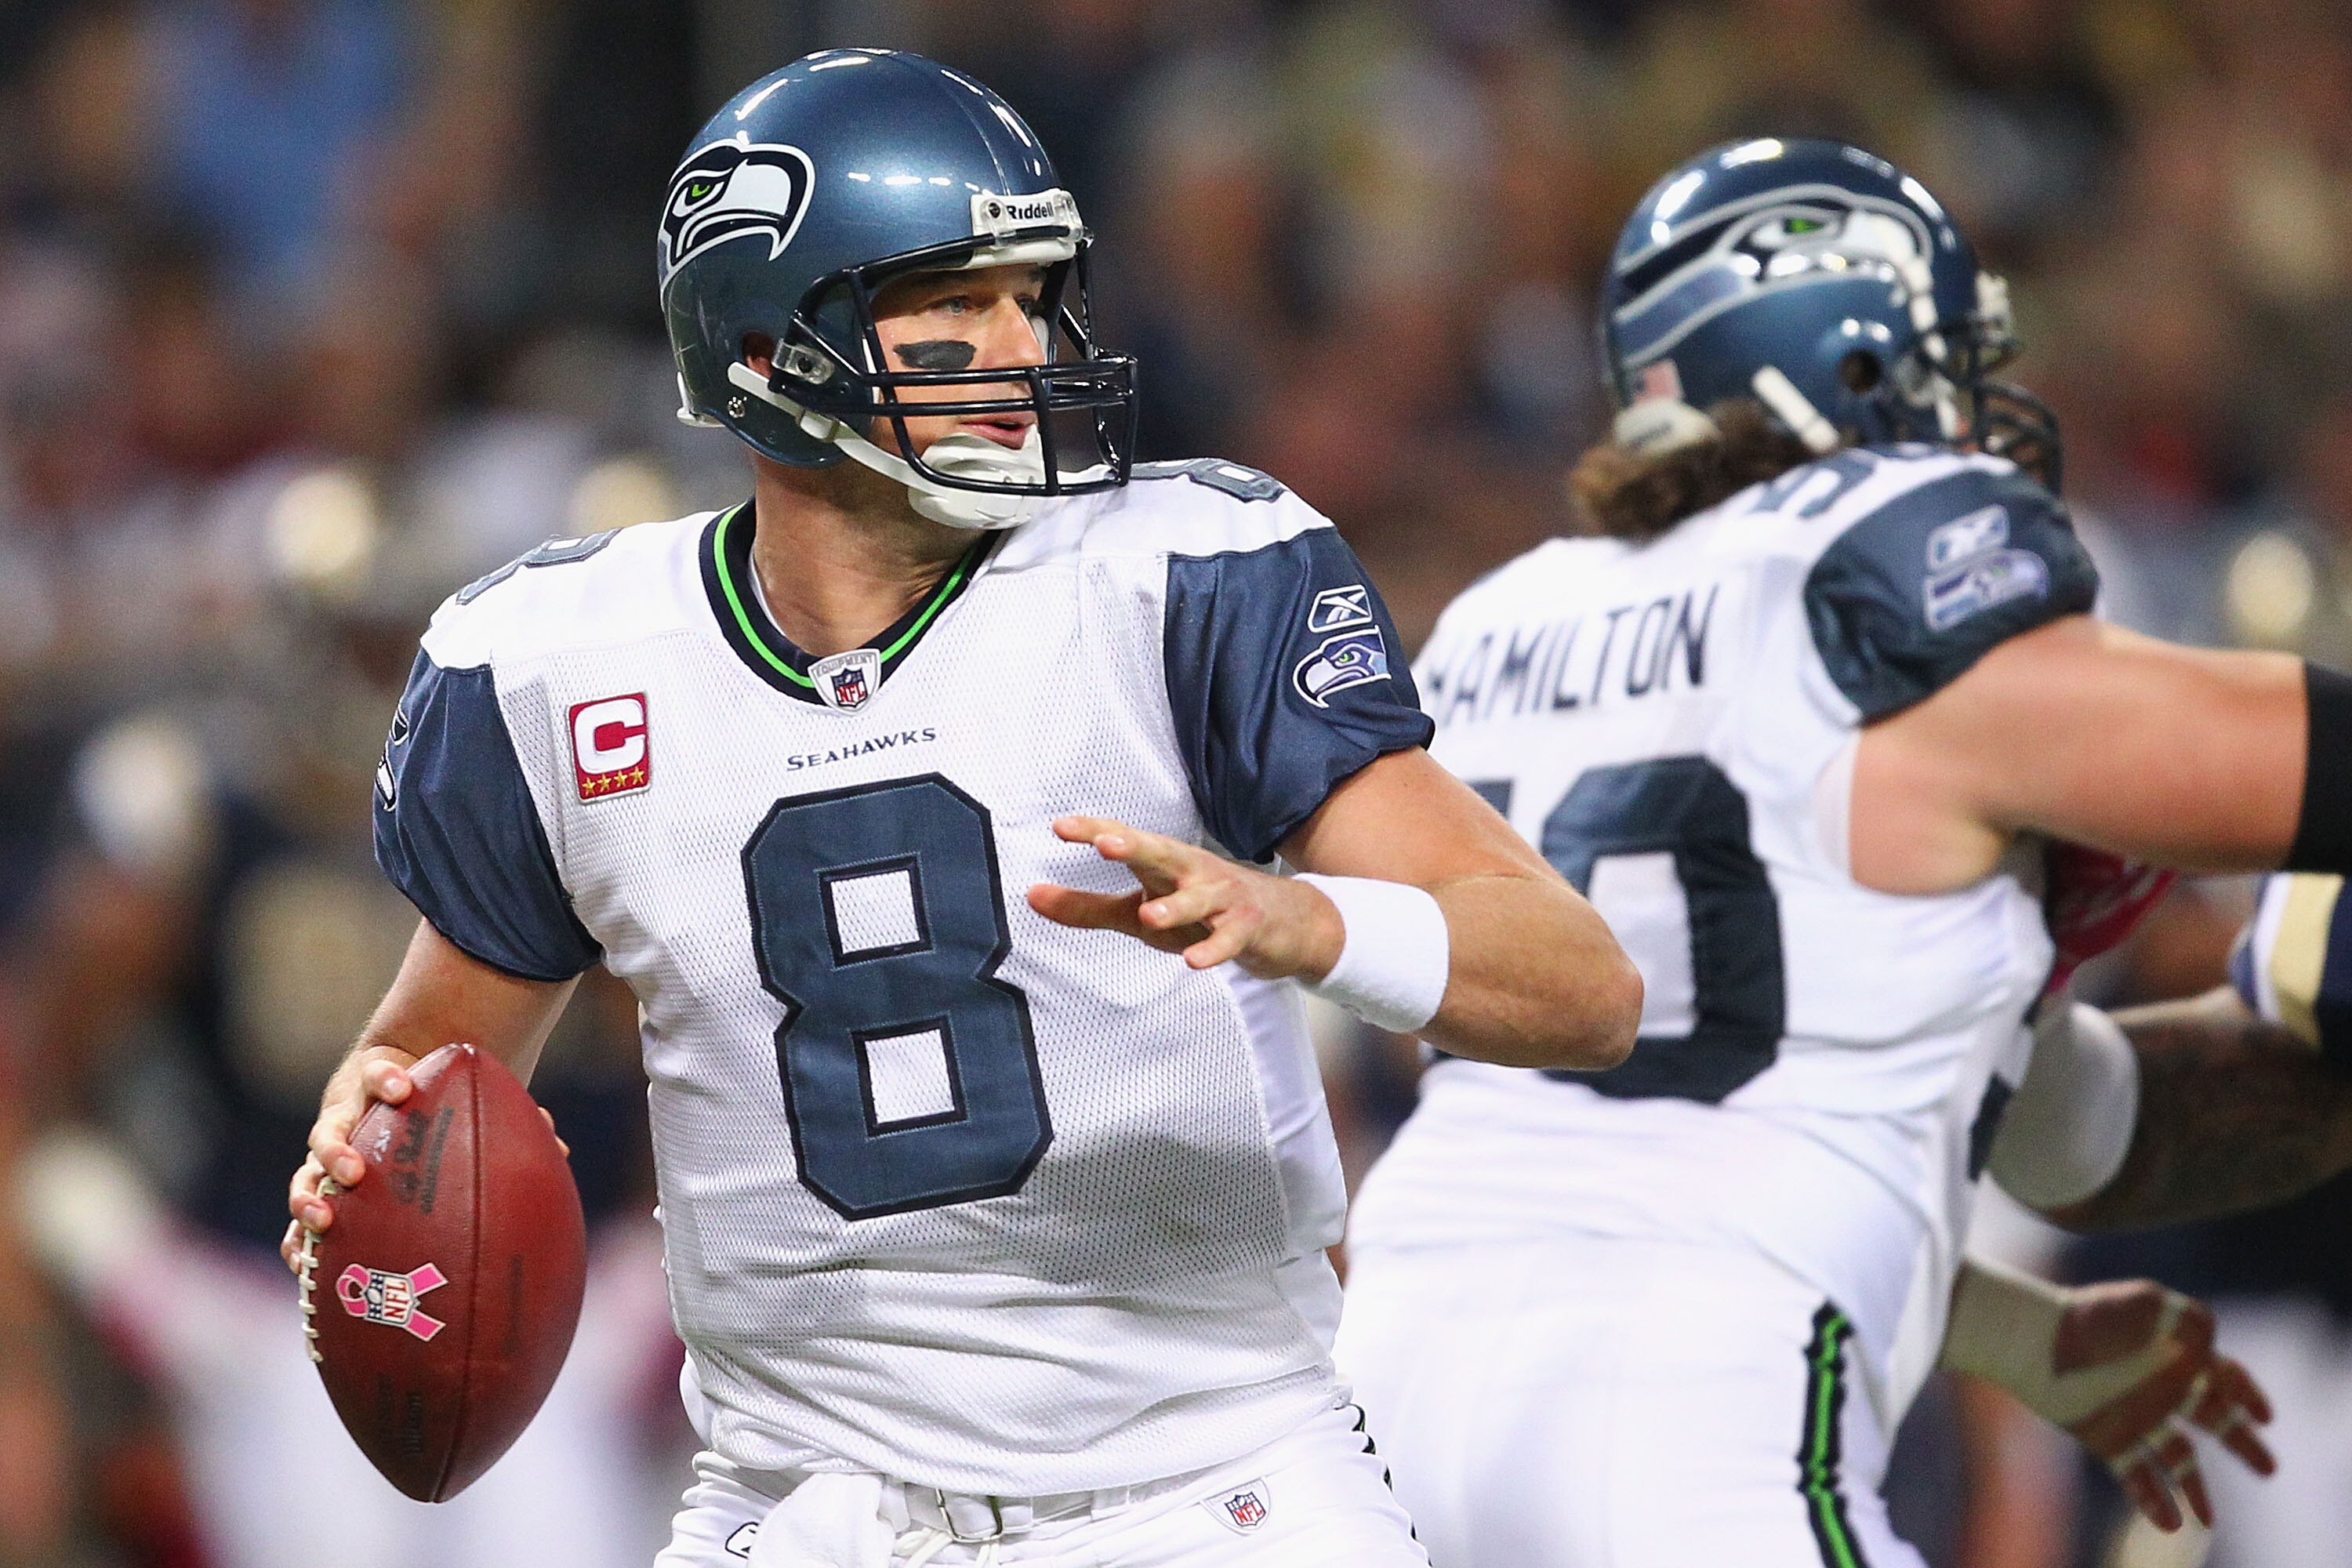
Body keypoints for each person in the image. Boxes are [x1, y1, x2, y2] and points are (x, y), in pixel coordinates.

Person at [282, 49, 1640, 1568]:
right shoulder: (544, 666)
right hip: (799, 1510)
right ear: (766, 341)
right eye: (953, 303)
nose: (1024, 343)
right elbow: (433, 1060)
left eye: (1034, 293)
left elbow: (1580, 985)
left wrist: (1307, 918)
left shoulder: (1184, 574)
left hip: (1209, 1495)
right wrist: (373, 1125)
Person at [1333, 137, 2352, 1568]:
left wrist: (2018, 1328)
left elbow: (2052, 1128)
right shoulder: (1880, 587)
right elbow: (2298, 765)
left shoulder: (1511, 615)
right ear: (1861, 366)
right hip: (1700, 1419)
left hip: (1386, 1389)